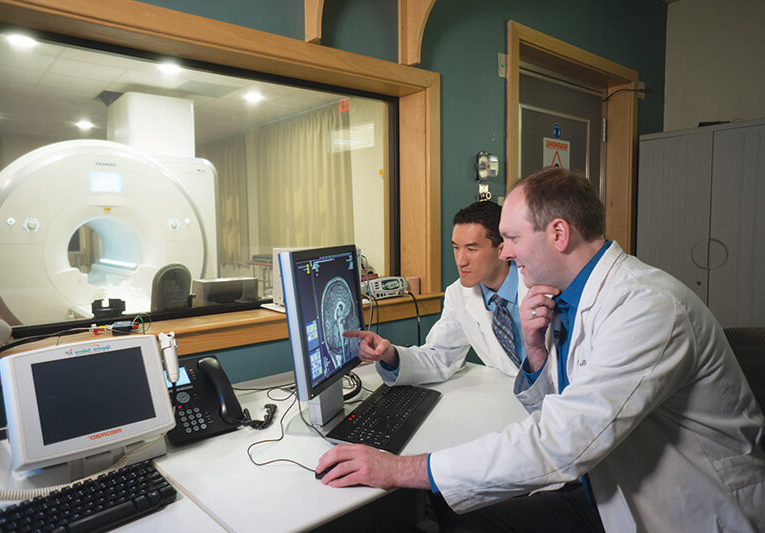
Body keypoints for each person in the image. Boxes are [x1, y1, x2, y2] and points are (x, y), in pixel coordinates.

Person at [316, 167, 765, 532]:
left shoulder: (646, 308)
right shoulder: (569, 297)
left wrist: (398, 470)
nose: (506, 254)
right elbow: (569, 408)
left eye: (510, 238)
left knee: (460, 507)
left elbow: (563, 441)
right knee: (461, 512)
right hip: (609, 480)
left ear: (558, 233)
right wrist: (535, 353)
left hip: (689, 508)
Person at [347, 199, 526, 387]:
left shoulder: (541, 286)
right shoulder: (458, 294)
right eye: (456, 248)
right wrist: (390, 354)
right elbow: (439, 357)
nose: (460, 261)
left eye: (471, 249)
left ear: (502, 250)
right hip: (510, 396)